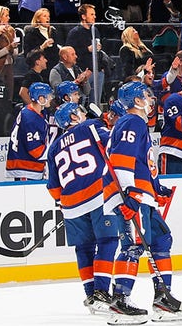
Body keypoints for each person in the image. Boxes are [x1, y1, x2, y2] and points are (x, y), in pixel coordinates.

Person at [105, 81, 182, 321]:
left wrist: (156, 187)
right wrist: (129, 193)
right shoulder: (132, 121)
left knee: (162, 239)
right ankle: (119, 303)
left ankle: (163, 300)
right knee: (133, 246)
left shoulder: (137, 124)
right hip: (131, 194)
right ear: (136, 101)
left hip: (142, 194)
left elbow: (142, 164)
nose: (151, 99)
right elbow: (121, 159)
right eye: (146, 95)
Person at [45, 102, 117, 315]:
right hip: (97, 195)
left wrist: (63, 202)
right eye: (81, 112)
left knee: (83, 247)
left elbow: (53, 187)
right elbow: (112, 146)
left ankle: (90, 294)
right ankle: (102, 291)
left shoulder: (54, 147)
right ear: (74, 118)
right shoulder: (91, 127)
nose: (85, 114)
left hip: (70, 204)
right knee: (108, 240)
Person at [5, 83, 53, 180]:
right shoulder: (30, 118)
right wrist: (57, 151)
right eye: (48, 95)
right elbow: (36, 150)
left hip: (28, 165)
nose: (51, 98)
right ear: (41, 99)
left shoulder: (33, 112)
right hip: (26, 167)